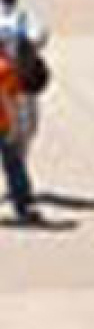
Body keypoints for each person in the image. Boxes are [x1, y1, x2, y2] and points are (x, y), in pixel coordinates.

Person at [0, 0, 48, 159]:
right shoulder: (25, 18)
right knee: (27, 129)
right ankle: (18, 163)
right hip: (21, 80)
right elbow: (41, 37)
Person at [0, 37, 36, 222]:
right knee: (15, 167)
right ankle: (22, 207)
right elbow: (8, 102)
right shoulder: (5, 69)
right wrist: (15, 128)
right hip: (3, 126)